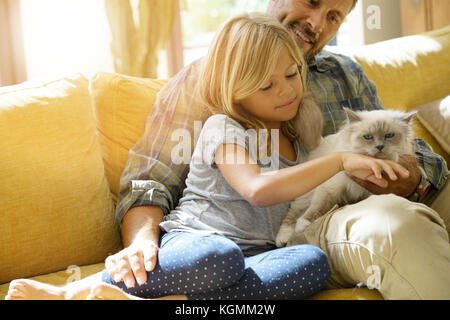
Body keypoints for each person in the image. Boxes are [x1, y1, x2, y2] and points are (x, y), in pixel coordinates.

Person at [7, 0, 450, 300]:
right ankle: (80, 292)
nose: (317, 24)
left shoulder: (315, 107)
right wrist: (141, 246)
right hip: (204, 241)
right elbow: (168, 182)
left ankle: (179, 302)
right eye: (312, 0)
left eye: (335, 15)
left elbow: (412, 153)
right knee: (218, 258)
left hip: (266, 245)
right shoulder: (219, 109)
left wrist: (407, 173)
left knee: (309, 264)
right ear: (233, 85)